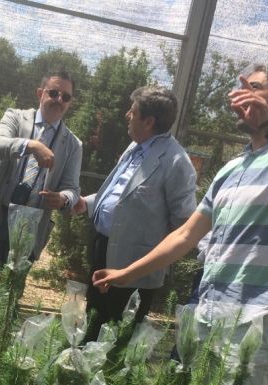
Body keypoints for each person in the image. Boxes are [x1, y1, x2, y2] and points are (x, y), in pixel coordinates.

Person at [92, 64, 268, 385]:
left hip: (260, 311)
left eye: (255, 87)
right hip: (210, 307)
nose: (242, 95)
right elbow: (185, 236)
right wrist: (126, 273)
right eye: (242, 88)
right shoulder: (232, 168)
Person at [72, 86, 197, 341]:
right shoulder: (135, 147)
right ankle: (79, 377)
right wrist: (87, 203)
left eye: (133, 111)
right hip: (103, 251)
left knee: (116, 339)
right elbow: (121, 195)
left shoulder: (176, 163)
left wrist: (150, 256)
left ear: (149, 121)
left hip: (134, 268)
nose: (127, 114)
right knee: (92, 327)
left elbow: (184, 224)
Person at [0, 70, 82, 292]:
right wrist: (31, 146)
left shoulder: (74, 144)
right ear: (40, 93)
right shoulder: (16, 117)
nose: (59, 100)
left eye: (65, 97)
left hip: (30, 227)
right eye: (54, 93)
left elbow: (72, 188)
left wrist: (64, 199)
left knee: (8, 299)